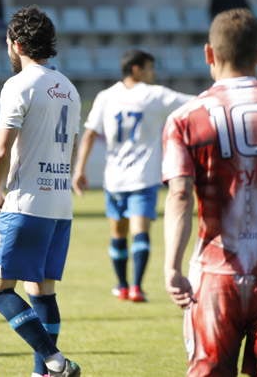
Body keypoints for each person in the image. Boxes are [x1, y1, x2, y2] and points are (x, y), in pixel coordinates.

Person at [163, 8, 257, 376]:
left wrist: (172, 266)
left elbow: (180, 196)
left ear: (209, 54)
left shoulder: (187, 117)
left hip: (216, 272)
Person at [0, 5, 82, 377]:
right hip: (60, 205)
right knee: (41, 290)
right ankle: (42, 373)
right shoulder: (69, 89)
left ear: (16, 44)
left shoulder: (19, 85)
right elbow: (71, 148)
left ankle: (54, 361)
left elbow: (0, 150)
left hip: (25, 202)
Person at [72, 49, 192, 303]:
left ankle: (123, 286)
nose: (153, 73)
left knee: (118, 233)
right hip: (143, 178)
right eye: (150, 67)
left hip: (113, 179)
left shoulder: (106, 96)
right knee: (140, 232)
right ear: (136, 69)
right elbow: (193, 101)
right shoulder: (155, 95)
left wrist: (79, 170)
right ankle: (136, 287)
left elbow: (90, 133)